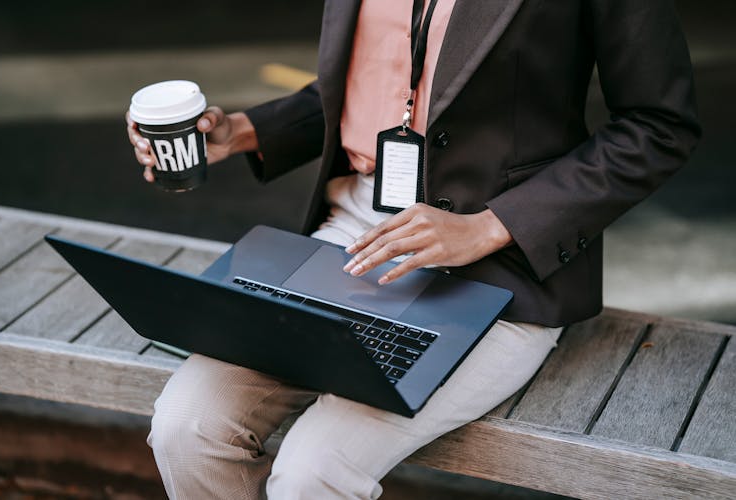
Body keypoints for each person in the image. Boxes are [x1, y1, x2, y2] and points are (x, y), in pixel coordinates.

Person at [126, 1, 700, 498]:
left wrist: (491, 225)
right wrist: (248, 130)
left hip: (497, 269)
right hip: (348, 240)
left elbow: (657, 126)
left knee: (311, 476)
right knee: (186, 427)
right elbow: (382, 83)